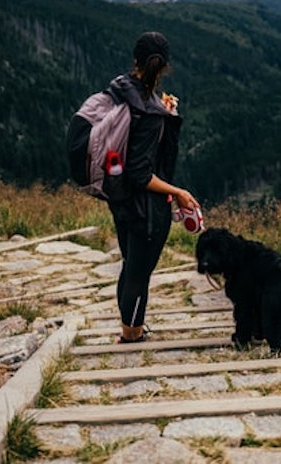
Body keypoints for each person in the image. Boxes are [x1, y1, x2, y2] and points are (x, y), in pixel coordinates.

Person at [105, 30, 199, 343]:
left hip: (121, 201)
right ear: (164, 68)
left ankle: (129, 328)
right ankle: (131, 335)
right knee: (139, 271)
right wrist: (178, 192)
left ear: (136, 61)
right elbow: (141, 173)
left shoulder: (123, 91)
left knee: (131, 263)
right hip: (146, 207)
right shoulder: (150, 112)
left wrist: (166, 111)